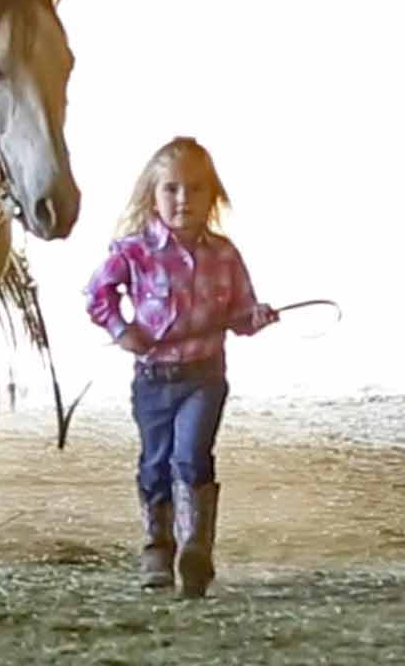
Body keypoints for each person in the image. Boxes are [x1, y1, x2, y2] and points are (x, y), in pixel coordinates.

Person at [82, 136, 278, 597]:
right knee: (155, 463)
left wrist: (255, 318)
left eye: (196, 188)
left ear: (213, 196)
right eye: (171, 188)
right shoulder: (134, 251)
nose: (183, 199)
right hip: (153, 380)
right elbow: (96, 295)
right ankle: (157, 548)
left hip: (205, 376)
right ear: (153, 195)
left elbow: (240, 314)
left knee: (192, 456)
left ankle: (196, 550)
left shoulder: (224, 254)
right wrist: (121, 330)